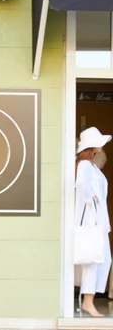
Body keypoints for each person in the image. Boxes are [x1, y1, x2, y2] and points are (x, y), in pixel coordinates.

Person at [75, 126, 112, 317]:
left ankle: (90, 299)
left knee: (104, 260)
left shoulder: (92, 166)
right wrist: (92, 198)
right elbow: (81, 185)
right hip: (90, 222)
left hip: (98, 222)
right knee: (93, 261)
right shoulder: (84, 165)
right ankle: (88, 301)